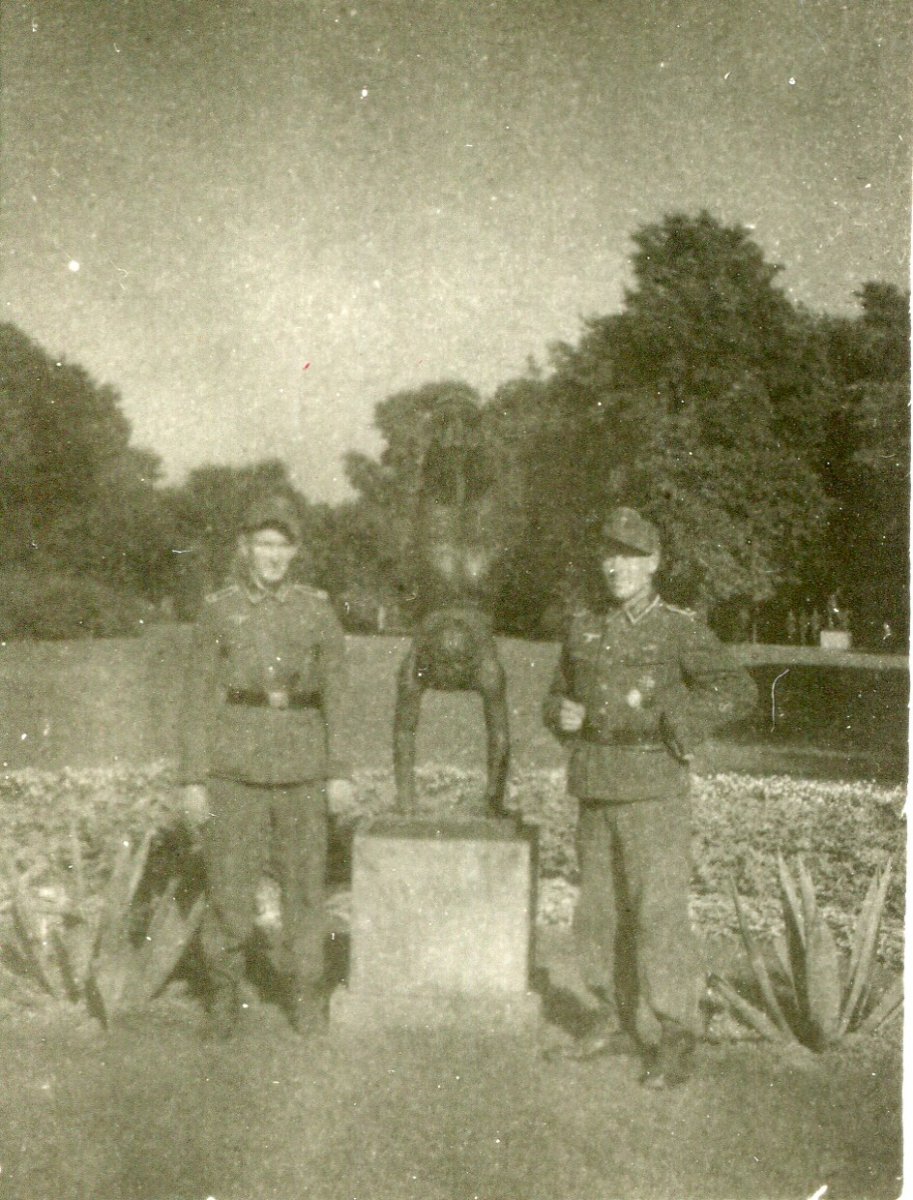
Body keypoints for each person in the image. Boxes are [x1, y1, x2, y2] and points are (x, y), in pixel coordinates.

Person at [543, 507, 757, 1087]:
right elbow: (557, 696)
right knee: (598, 914)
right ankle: (612, 1017)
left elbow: (737, 691)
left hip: (653, 790)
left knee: (658, 915)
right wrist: (560, 715)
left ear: (654, 563)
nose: (617, 567)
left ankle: (675, 1034)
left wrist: (675, 721)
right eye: (609, 555)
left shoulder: (677, 628)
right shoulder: (584, 626)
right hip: (596, 784)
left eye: (631, 556)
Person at [178, 493, 352, 1040]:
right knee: (230, 890)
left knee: (305, 890)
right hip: (236, 769)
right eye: (264, 544)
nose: (274, 555)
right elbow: (197, 698)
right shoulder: (219, 609)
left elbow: (338, 695)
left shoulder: (316, 609)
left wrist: (340, 772)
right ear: (245, 548)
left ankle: (305, 994)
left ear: (295, 551)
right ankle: (222, 996)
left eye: (283, 545)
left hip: (303, 767)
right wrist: (192, 779)